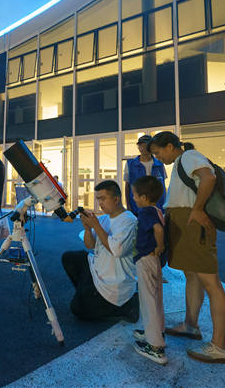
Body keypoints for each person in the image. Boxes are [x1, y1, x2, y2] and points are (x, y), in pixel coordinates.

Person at [148, 131, 225, 364]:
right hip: (184, 222)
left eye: (157, 152)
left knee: (210, 282)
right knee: (192, 275)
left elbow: (208, 177)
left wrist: (196, 209)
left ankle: (220, 347)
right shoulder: (181, 161)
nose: (157, 158)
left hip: (193, 223)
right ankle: (191, 325)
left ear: (170, 146)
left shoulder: (188, 156)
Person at [61, 180, 139, 322]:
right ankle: (88, 294)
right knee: (69, 258)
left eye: (103, 199)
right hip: (97, 271)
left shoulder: (129, 220)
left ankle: (129, 305)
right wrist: (87, 229)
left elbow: (116, 251)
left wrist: (96, 226)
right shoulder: (104, 219)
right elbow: (90, 245)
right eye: (98, 199)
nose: (100, 203)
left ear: (116, 199)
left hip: (115, 283)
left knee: (77, 309)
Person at [130, 175, 167, 365]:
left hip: (145, 259)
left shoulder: (144, 211)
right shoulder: (157, 210)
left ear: (144, 197)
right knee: (156, 298)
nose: (133, 198)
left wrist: (160, 246)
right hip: (154, 260)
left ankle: (155, 347)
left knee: (148, 300)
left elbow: (158, 230)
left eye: (135, 195)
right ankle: (157, 332)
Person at [124, 135, 167, 217]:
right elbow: (127, 186)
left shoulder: (159, 164)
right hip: (137, 207)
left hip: (157, 205)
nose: (142, 148)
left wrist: (165, 204)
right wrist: (128, 205)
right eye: (140, 145)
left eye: (145, 145)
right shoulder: (130, 164)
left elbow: (163, 186)